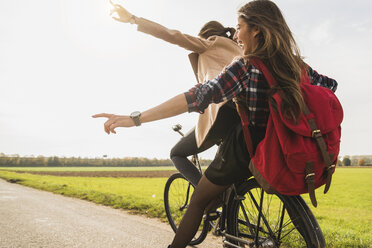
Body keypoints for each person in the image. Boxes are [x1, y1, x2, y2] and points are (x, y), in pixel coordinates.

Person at [94, 0, 338, 247]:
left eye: (240, 27)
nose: (237, 35)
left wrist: (135, 119)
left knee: (198, 202)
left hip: (248, 148)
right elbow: (330, 86)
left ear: (256, 29)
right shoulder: (297, 65)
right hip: (285, 145)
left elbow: (197, 97)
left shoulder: (246, 66)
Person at [109, 3, 243, 191]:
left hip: (222, 111)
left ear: (205, 35)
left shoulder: (210, 42)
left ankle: (206, 194)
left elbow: (173, 35)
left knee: (177, 153)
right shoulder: (241, 50)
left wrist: (133, 19)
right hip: (244, 113)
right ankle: (232, 200)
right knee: (226, 166)